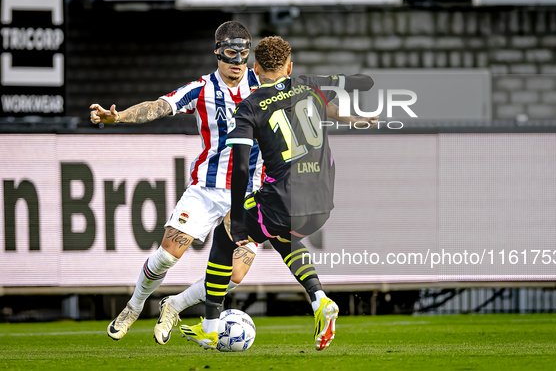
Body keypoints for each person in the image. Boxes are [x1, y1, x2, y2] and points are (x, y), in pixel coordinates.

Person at [179, 36, 374, 351]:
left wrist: (239, 217)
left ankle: (211, 327)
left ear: (255, 69)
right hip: (322, 204)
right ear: (290, 67)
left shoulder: (250, 107)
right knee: (283, 235)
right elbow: (364, 81)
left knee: (225, 232)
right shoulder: (310, 86)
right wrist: (348, 97)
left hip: (285, 200)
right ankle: (319, 299)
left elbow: (241, 168)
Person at [90, 21, 265, 345]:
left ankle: (175, 305)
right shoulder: (201, 89)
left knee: (235, 275)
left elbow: (303, 97)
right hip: (207, 189)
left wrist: (349, 116)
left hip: (249, 194)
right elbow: (158, 107)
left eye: (243, 54)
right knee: (169, 255)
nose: (237, 62)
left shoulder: (264, 85)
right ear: (217, 52)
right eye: (230, 53)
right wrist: (119, 116)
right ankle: (134, 306)